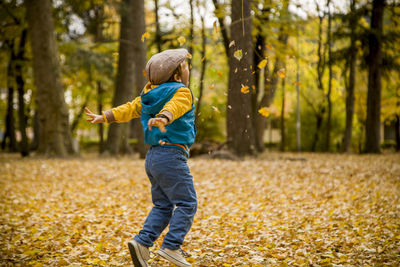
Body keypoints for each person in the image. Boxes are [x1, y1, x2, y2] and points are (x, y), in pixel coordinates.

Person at [85, 48, 197, 267]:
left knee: (163, 205)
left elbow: (128, 109)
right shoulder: (182, 92)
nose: (188, 70)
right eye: (185, 67)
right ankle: (172, 246)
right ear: (176, 76)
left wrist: (104, 117)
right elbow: (175, 106)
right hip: (172, 155)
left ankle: (142, 243)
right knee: (187, 202)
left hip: (153, 158)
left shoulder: (147, 96)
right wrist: (165, 117)